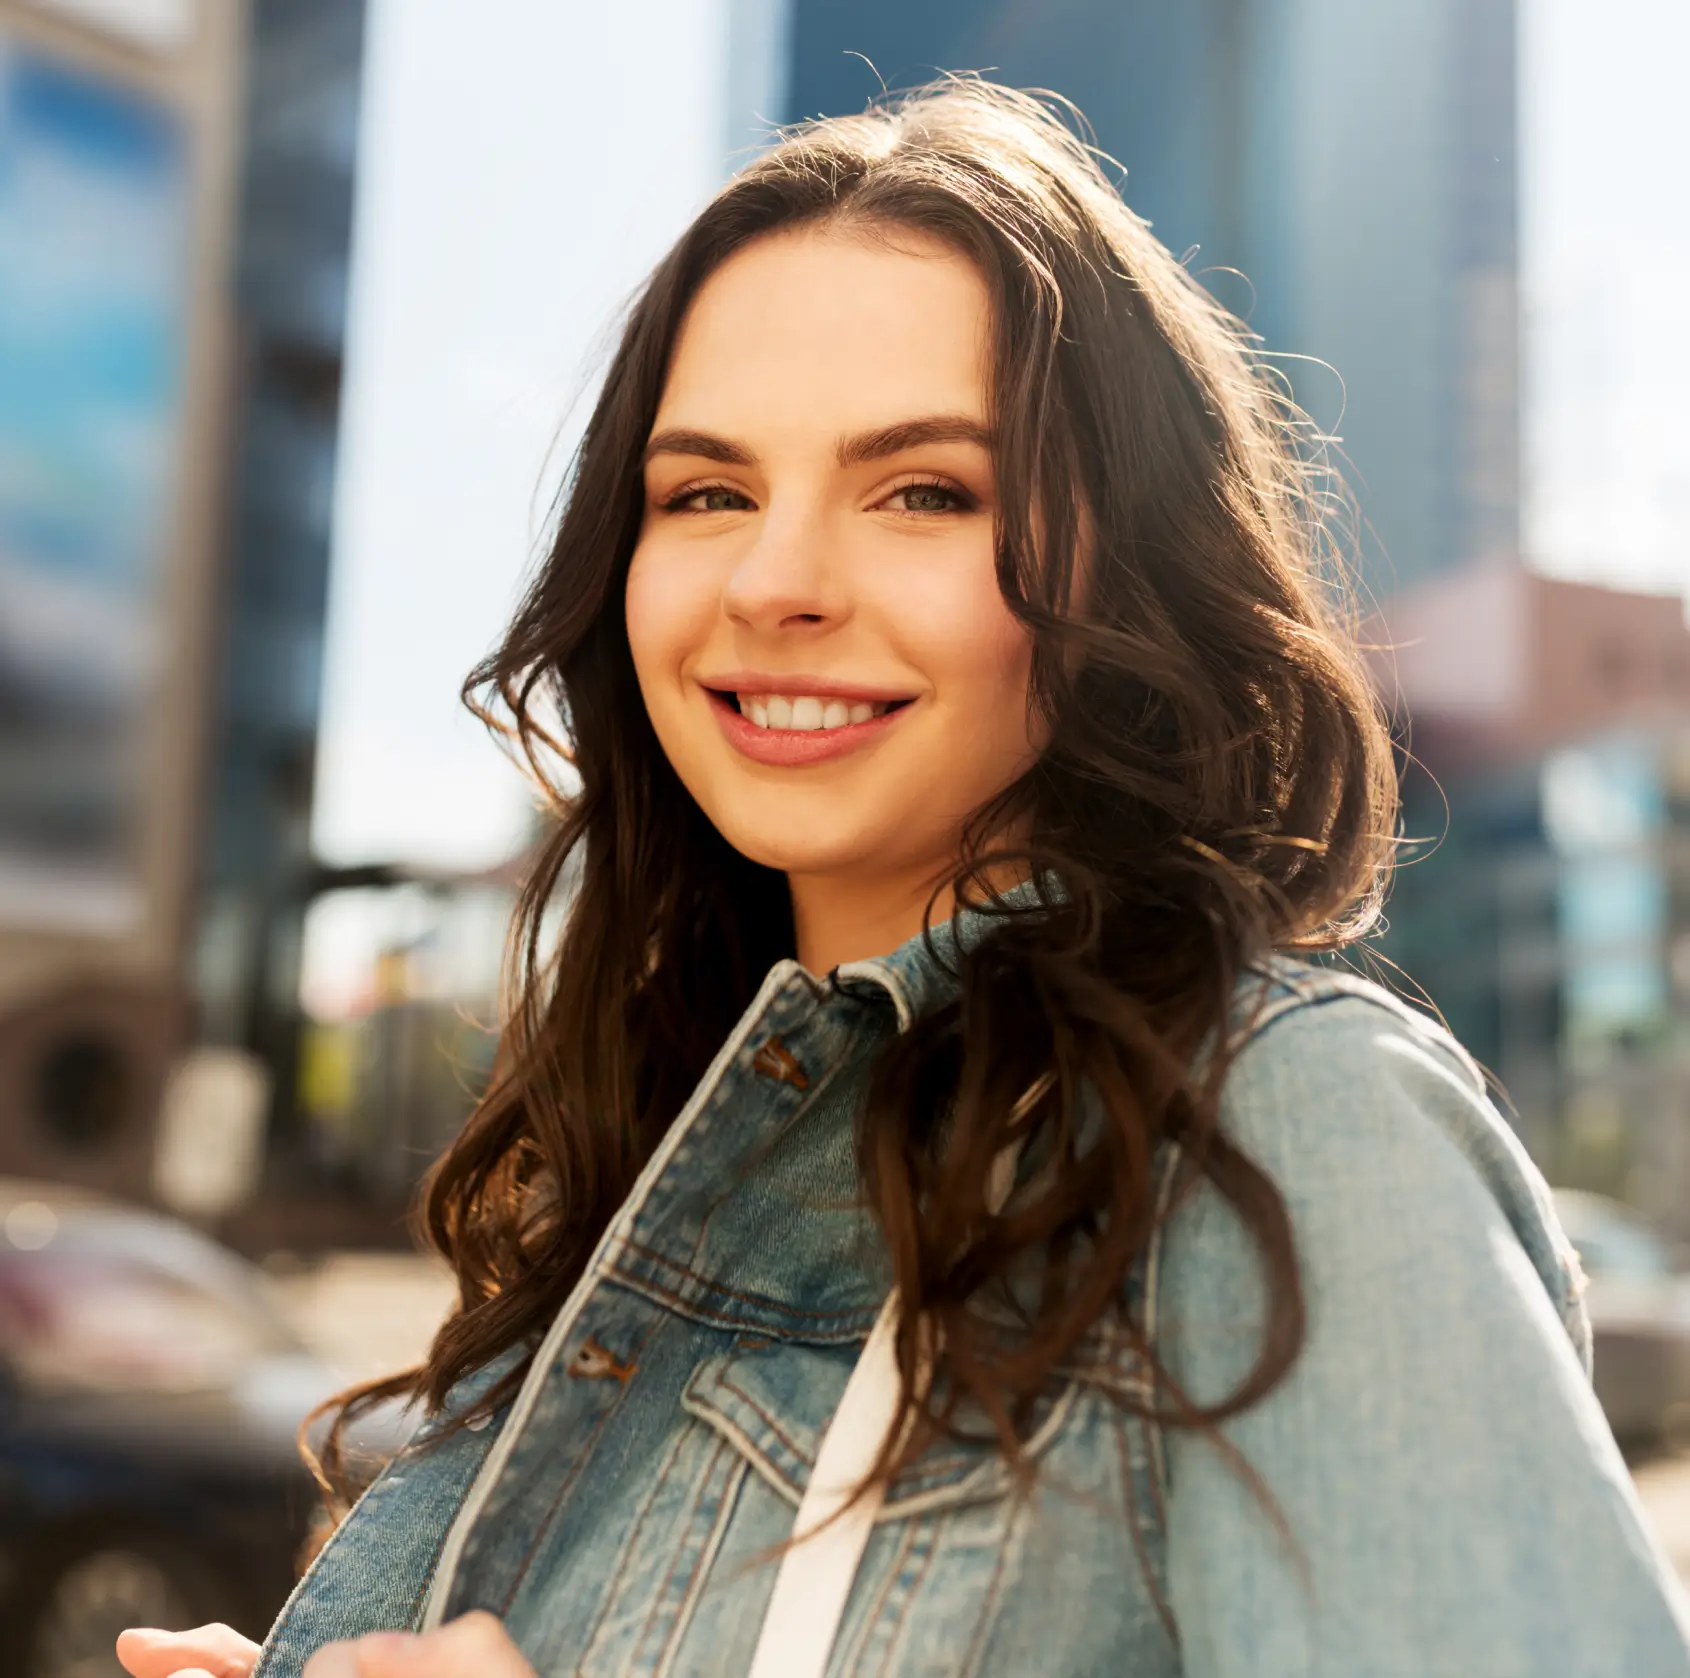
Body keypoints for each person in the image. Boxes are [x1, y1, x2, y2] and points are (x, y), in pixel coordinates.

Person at [120, 81, 1690, 1678]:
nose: (777, 580)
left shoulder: (1282, 1133)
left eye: (922, 491)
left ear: (1119, 572)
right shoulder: (658, 1146)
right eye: (706, 493)